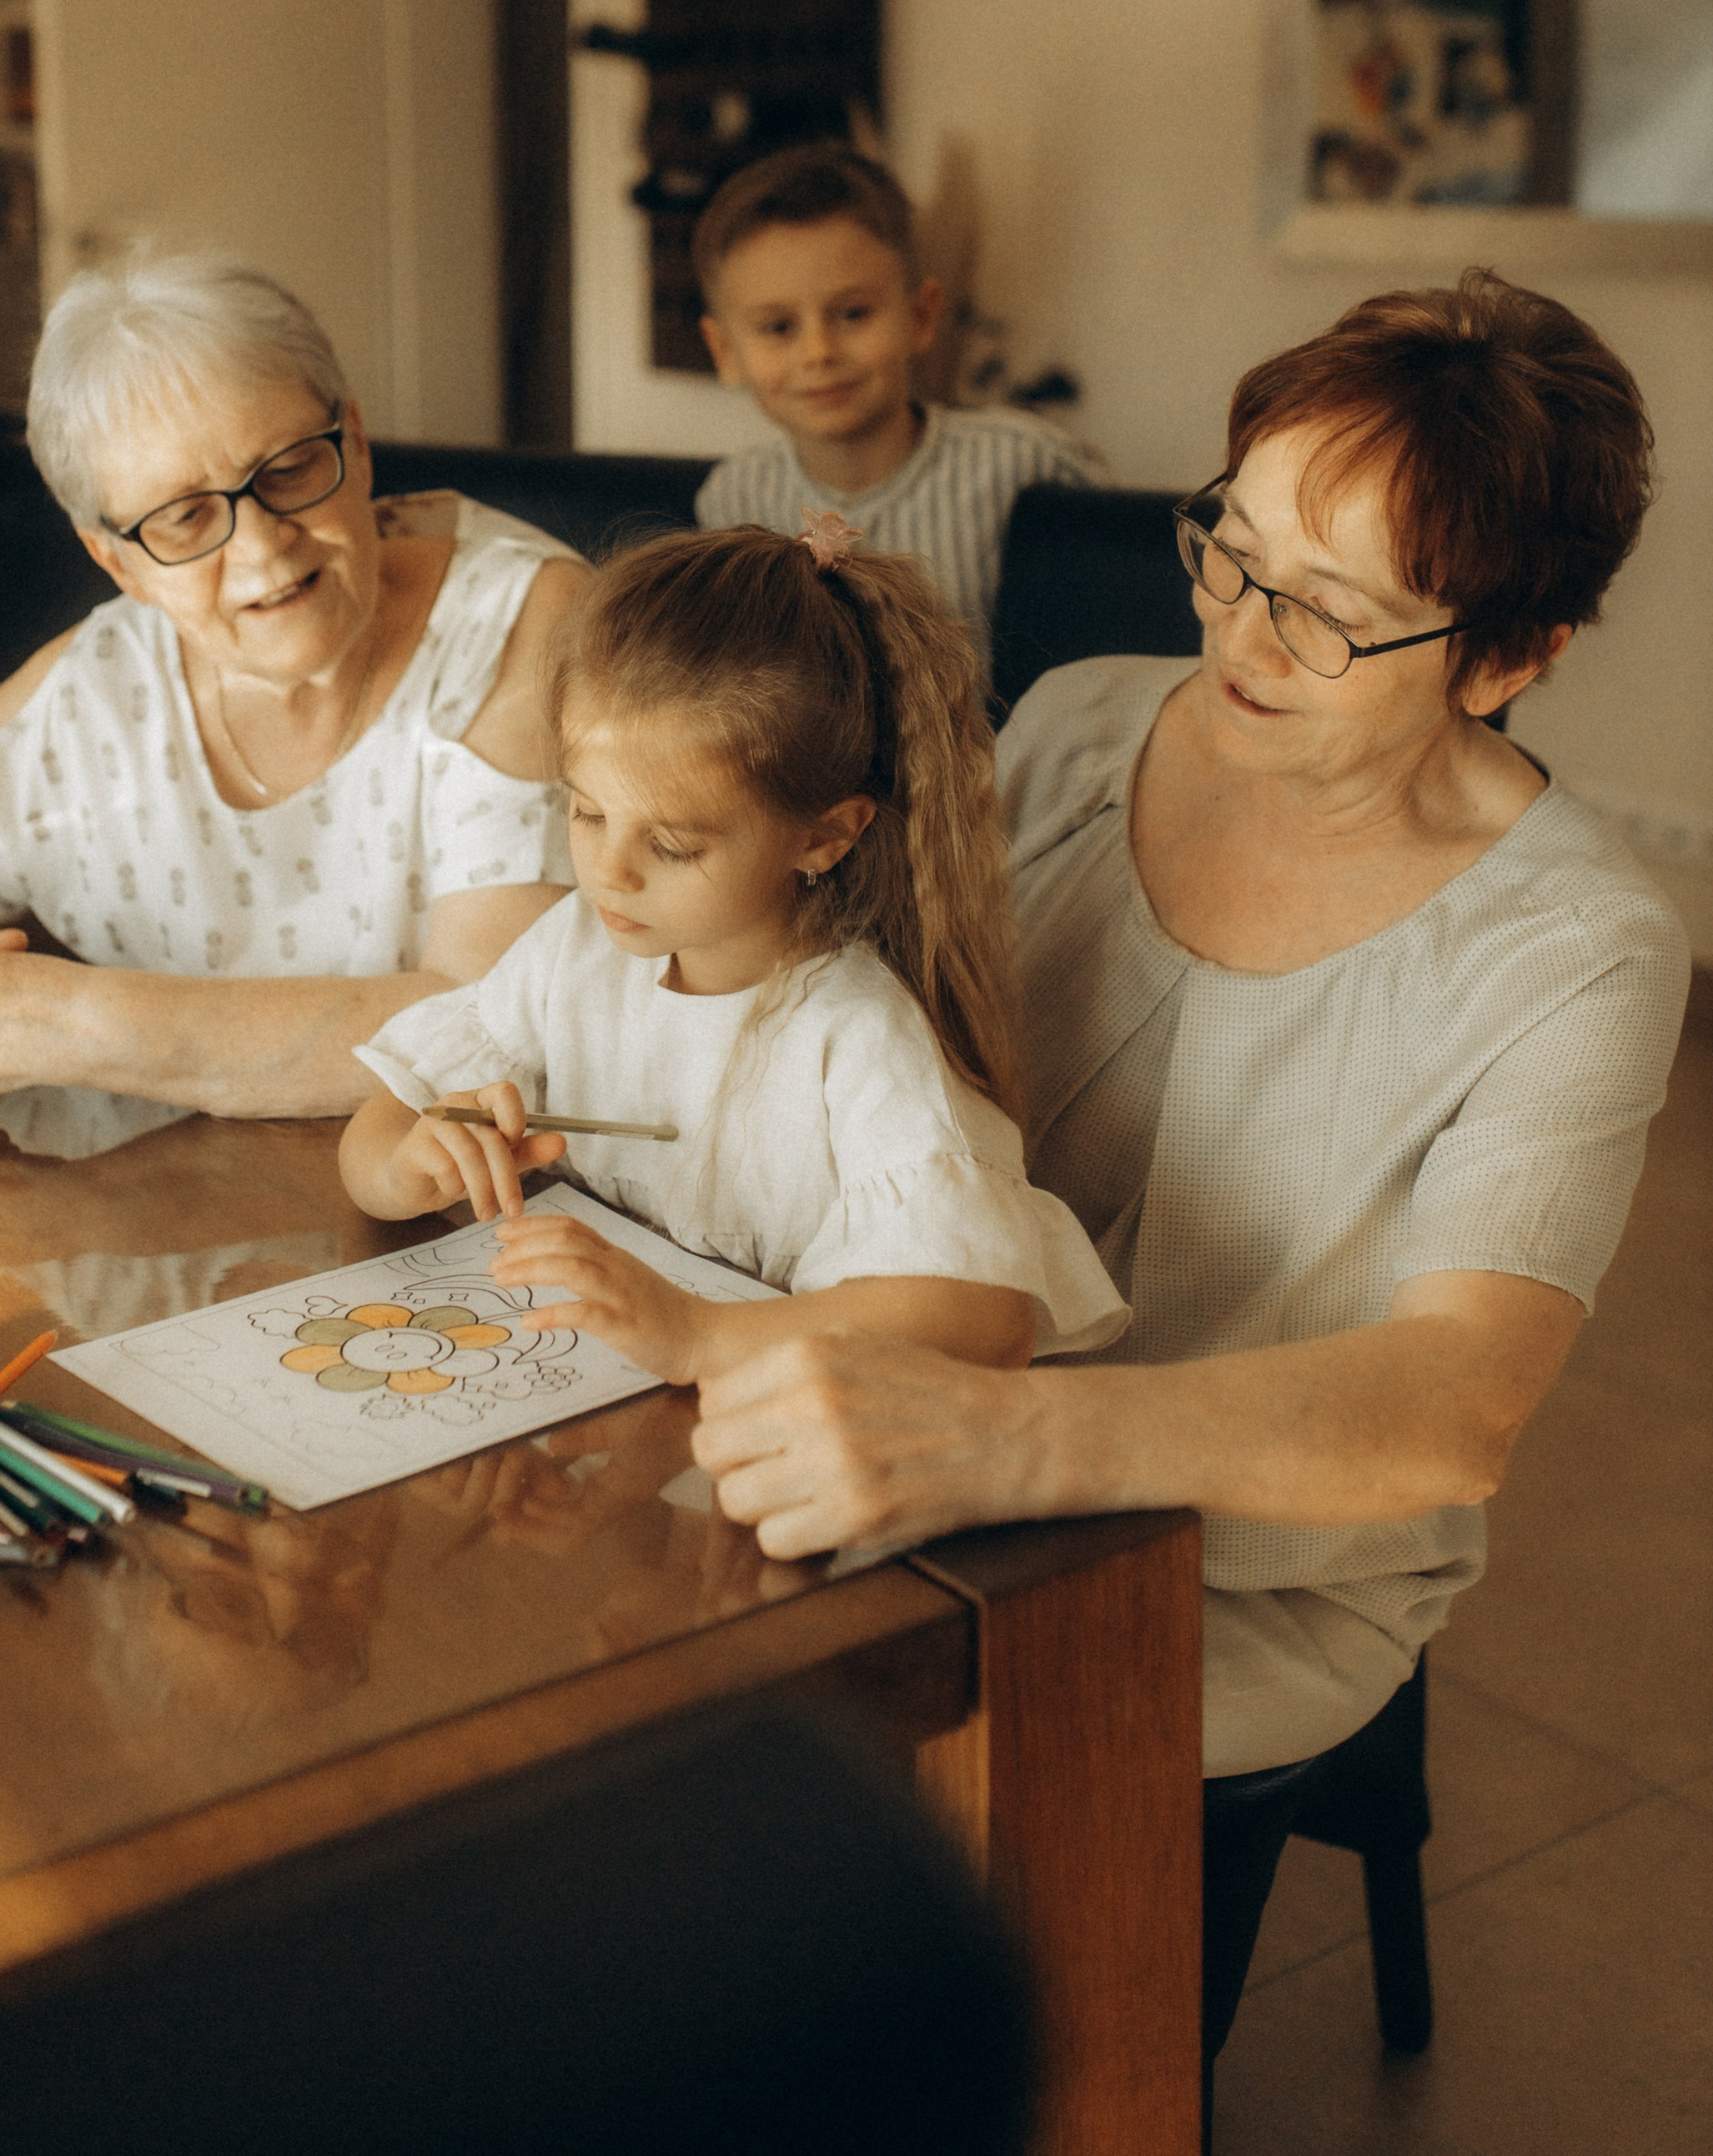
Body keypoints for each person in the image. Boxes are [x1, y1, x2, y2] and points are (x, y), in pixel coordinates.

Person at [687, 272, 1691, 2073]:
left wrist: (992, 1441)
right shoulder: (1079, 723)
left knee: (857, 1947)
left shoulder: (1578, 948)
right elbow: (858, 1026)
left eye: (1327, 614)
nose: (1237, 633)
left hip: (1235, 1578)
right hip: (924, 1414)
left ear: (1511, 654)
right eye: (1229, 548)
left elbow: (1445, 1409)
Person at [0, 252, 586, 1118]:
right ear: (116, 561)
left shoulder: (523, 624)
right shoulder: (99, 690)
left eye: (290, 470)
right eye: (187, 516)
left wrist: (56, 1021)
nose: (263, 547)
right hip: (171, 1213)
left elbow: (484, 1026)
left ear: (358, 441)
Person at [339, 520, 1124, 1383]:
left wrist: (692, 1333)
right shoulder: (573, 951)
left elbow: (978, 1324)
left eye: (673, 845)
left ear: (824, 836)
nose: (608, 872)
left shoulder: (853, 1038)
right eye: (587, 811)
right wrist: (406, 1167)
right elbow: (386, 1113)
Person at [691, 143, 1098, 652]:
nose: (819, 353)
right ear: (724, 351)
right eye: (778, 327)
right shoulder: (730, 500)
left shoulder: (1029, 465)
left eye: (855, 314)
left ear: (921, 317)